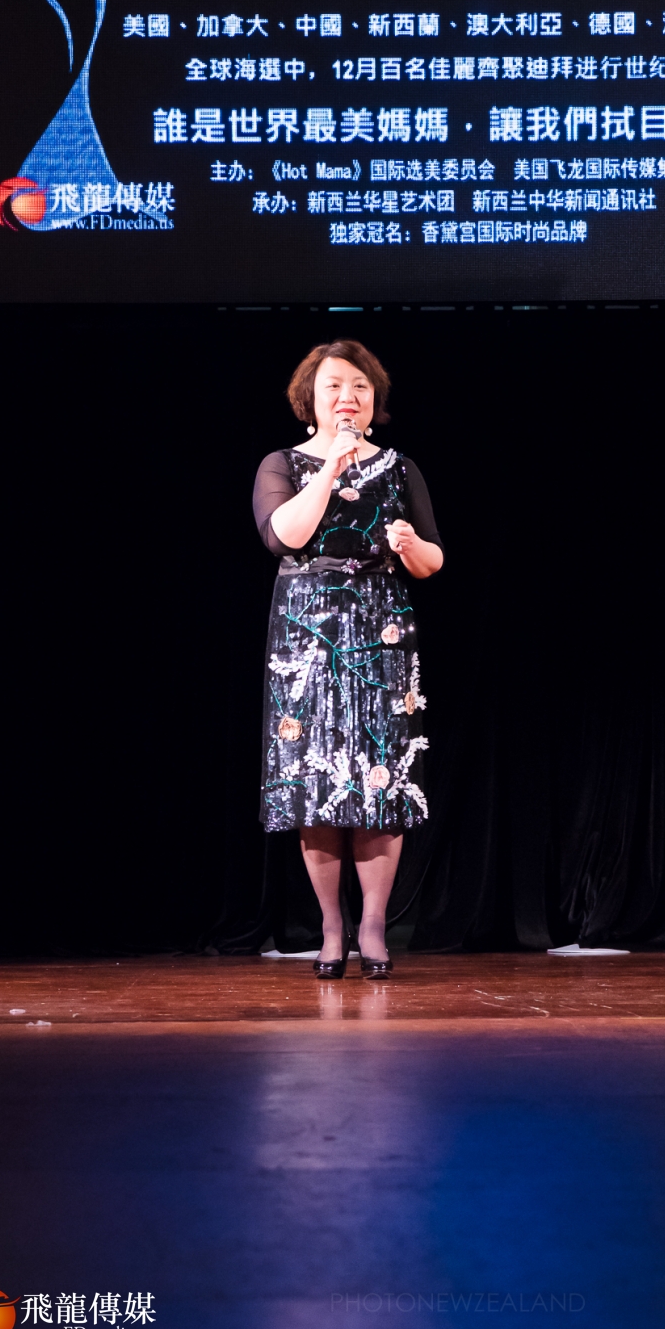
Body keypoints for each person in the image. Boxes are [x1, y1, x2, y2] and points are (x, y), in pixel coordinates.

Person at [252, 340, 444, 979]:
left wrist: (410, 545)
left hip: (381, 631)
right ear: (309, 398)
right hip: (307, 635)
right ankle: (332, 929)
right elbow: (285, 535)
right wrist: (332, 465)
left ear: (374, 399)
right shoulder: (282, 463)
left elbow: (432, 561)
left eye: (360, 386)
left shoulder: (399, 468)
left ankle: (373, 927)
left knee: (379, 778)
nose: (348, 398)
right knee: (316, 778)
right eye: (334, 386)